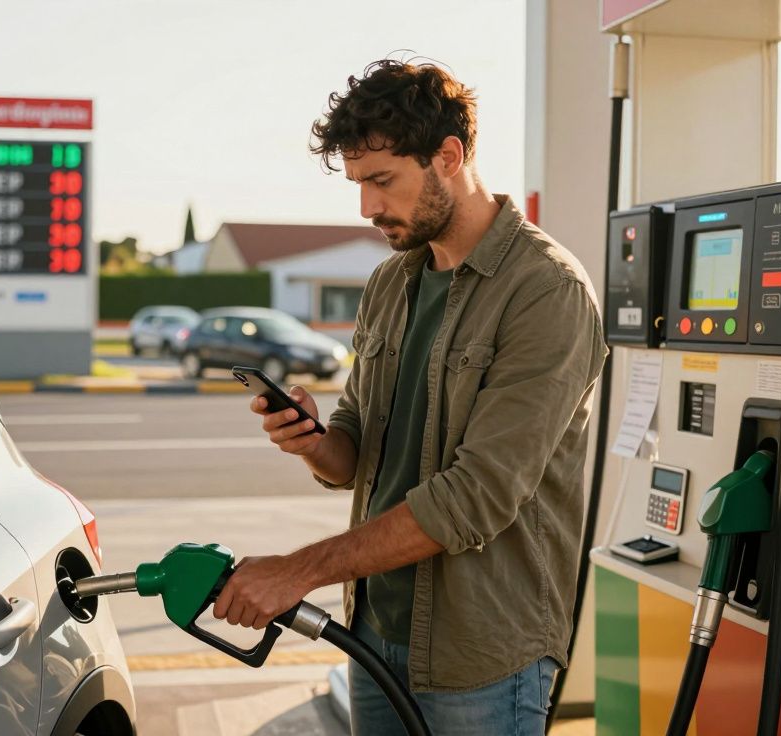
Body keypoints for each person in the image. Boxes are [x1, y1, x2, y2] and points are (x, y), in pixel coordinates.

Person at [212, 58, 606, 736]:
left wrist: (296, 571)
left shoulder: (546, 291)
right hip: (374, 629)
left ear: (448, 157)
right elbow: (354, 454)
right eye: (358, 184)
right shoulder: (391, 284)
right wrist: (314, 442)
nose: (367, 208)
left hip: (481, 656)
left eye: (382, 180)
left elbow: (476, 496)